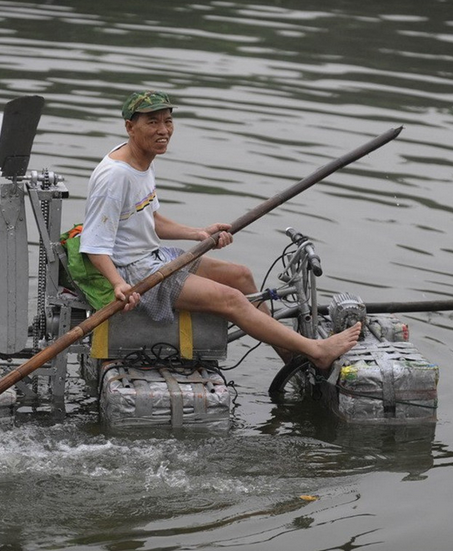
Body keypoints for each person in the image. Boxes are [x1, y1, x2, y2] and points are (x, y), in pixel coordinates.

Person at [79, 90, 360, 370]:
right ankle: (316, 351)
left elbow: (148, 217)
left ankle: (292, 357)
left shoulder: (142, 157)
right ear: (130, 127)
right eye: (153, 122)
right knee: (232, 300)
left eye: (168, 121)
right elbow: (94, 245)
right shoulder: (115, 176)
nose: (163, 130)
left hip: (154, 256)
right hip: (137, 273)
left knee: (240, 275)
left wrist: (199, 233)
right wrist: (118, 284)